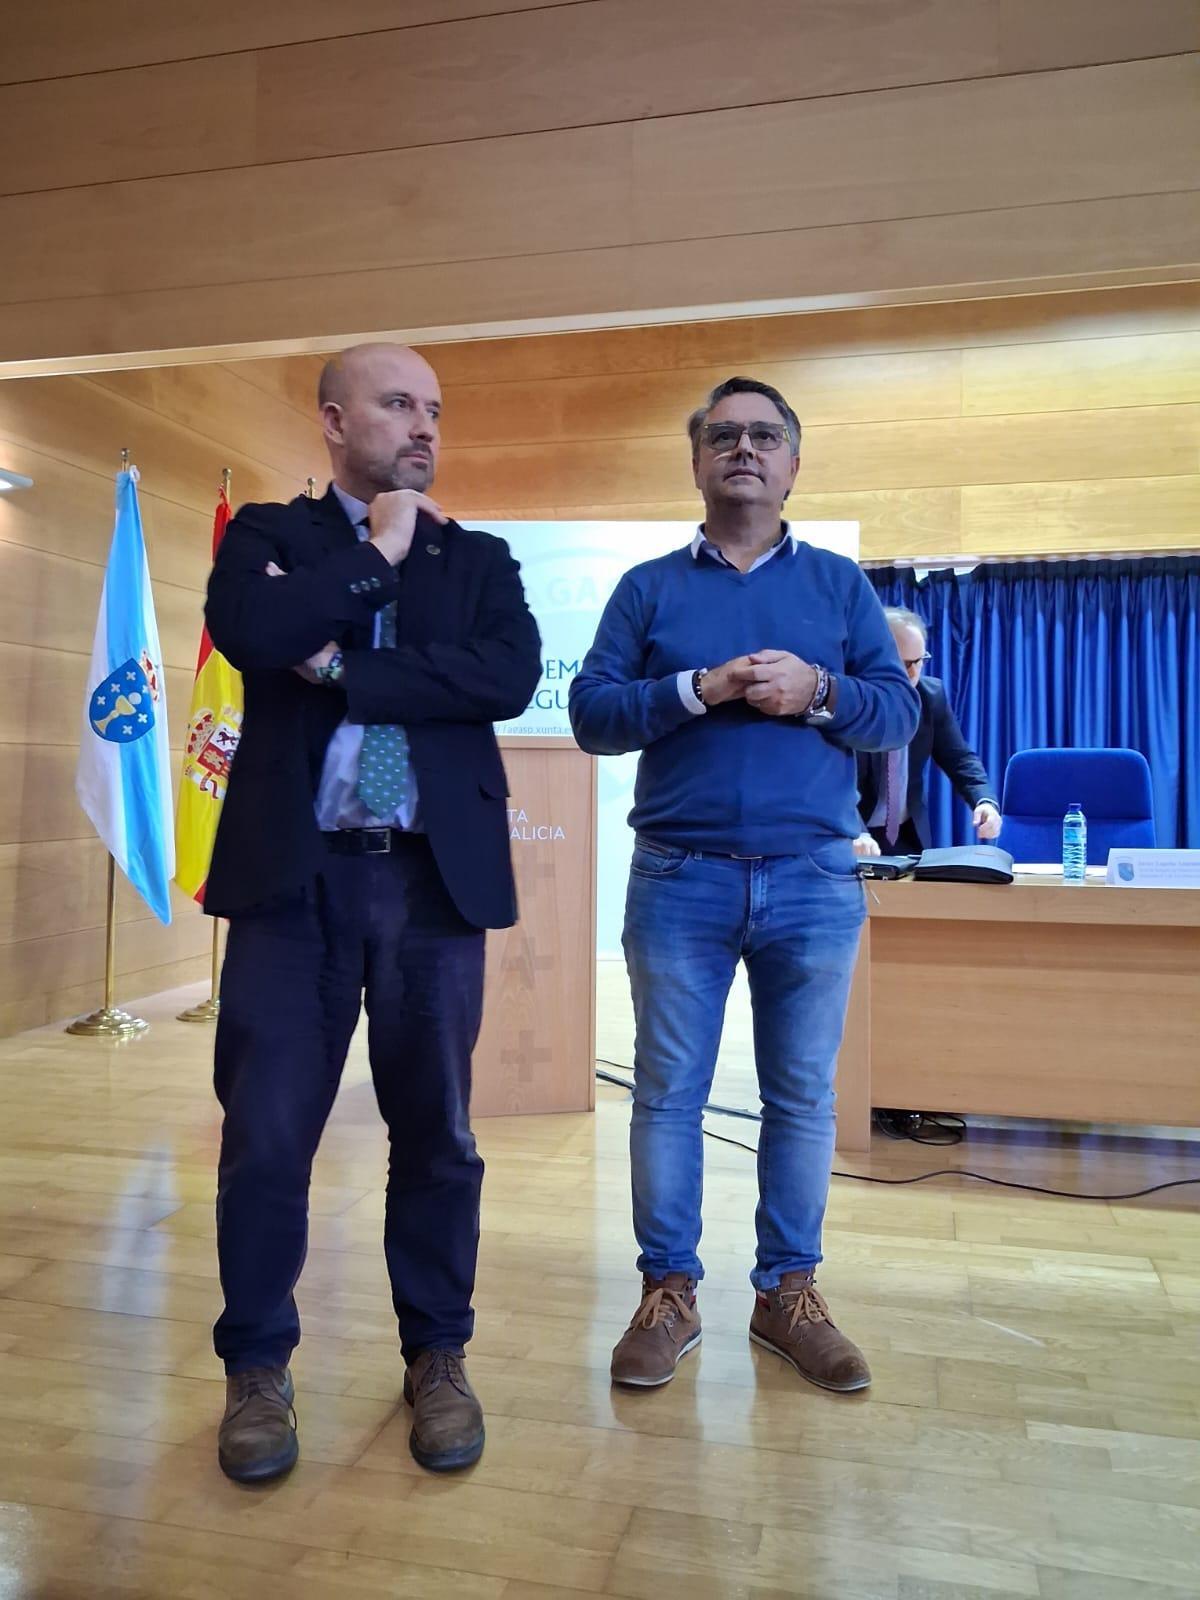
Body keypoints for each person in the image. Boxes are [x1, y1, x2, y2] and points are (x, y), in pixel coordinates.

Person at [203, 343, 541, 1483]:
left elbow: (502, 677)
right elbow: (255, 635)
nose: (424, 425)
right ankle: (257, 1366)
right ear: (335, 421)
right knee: (265, 1139)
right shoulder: (268, 536)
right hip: (293, 884)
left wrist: (344, 670)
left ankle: (437, 1355)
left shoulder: (480, 558)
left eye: (435, 407)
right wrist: (376, 553)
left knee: (437, 1137)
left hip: (432, 884)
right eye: (399, 404)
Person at [569, 376, 919, 1394]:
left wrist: (819, 692)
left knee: (801, 1097)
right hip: (678, 878)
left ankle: (787, 1295)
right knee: (668, 1093)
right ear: (697, 462)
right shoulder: (647, 588)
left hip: (813, 878)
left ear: (793, 464)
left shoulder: (839, 586)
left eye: (766, 436)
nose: (744, 449)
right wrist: (699, 688)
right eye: (723, 436)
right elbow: (593, 715)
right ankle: (668, 1293)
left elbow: (895, 714)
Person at [854, 607, 1000, 858]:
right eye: (904, 663)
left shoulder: (930, 696)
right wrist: (853, 831)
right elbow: (831, 779)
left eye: (919, 661)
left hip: (907, 834)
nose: (913, 674)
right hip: (854, 834)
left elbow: (959, 759)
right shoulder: (850, 702)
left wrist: (985, 801)